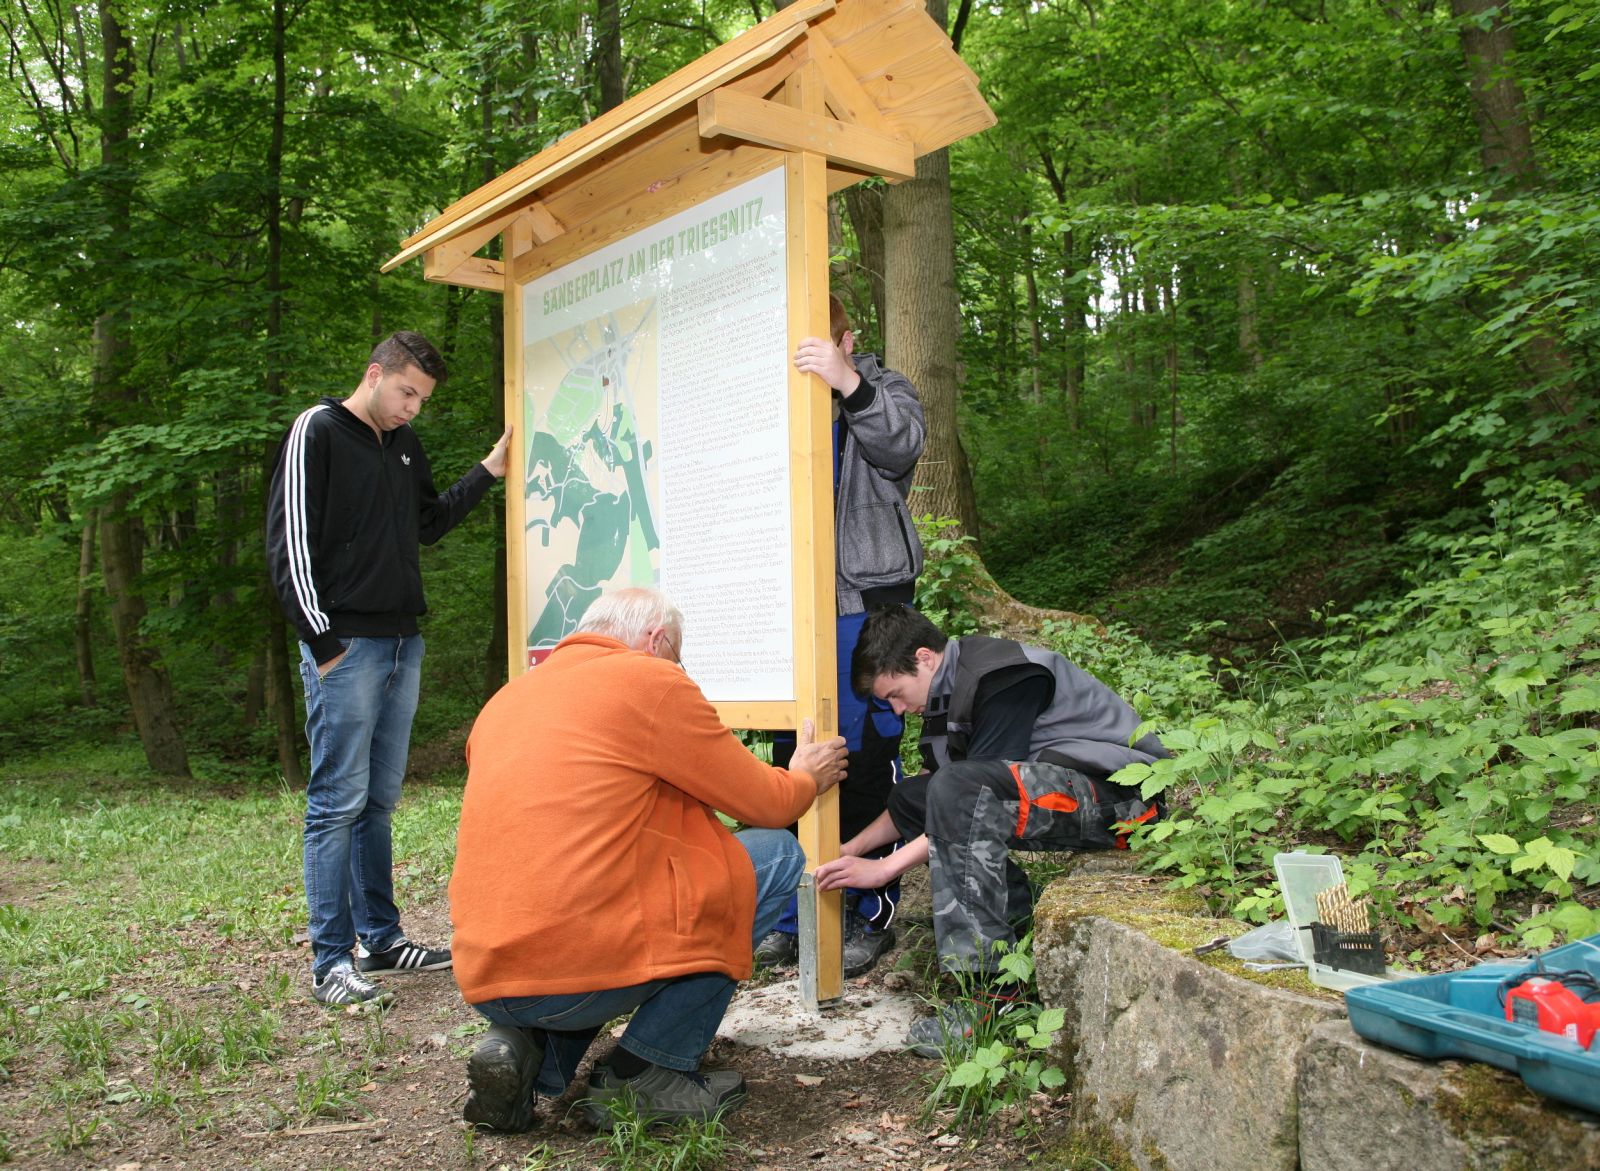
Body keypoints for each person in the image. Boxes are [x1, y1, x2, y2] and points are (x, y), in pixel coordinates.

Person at [449, 588, 848, 1132]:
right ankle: (644, 1074)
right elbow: (766, 803)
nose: (680, 671)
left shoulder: (508, 699)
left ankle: (526, 1051)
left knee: (581, 902)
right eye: (678, 657)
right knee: (772, 856)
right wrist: (805, 774)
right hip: (574, 973)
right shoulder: (648, 680)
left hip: (487, 973)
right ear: (654, 639)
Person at [266, 330, 510, 1007]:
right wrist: (323, 643)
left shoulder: (404, 444)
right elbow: (289, 545)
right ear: (375, 374)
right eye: (407, 393)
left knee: (378, 801)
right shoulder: (317, 430)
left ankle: (381, 937)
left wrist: (486, 472)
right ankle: (330, 960)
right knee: (336, 801)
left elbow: (427, 523)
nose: (414, 409)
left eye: (424, 400)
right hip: (346, 644)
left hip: (404, 642)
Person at [815, 605, 1168, 1055]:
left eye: (896, 694)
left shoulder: (1002, 677)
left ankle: (991, 994)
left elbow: (968, 800)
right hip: (1058, 791)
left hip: (1124, 802)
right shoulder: (947, 690)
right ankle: (1015, 932)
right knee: (911, 794)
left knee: (958, 789)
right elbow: (936, 795)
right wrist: (850, 848)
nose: (898, 708)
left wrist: (884, 869)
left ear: (925, 658)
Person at [756, 294, 926, 977]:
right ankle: (792, 915)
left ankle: (870, 909)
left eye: (817, 347)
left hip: (865, 606)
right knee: (789, 760)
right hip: (787, 610)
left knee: (863, 761)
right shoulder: (774, 406)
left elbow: (902, 444)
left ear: (846, 337)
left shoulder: (882, 388)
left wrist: (844, 379)